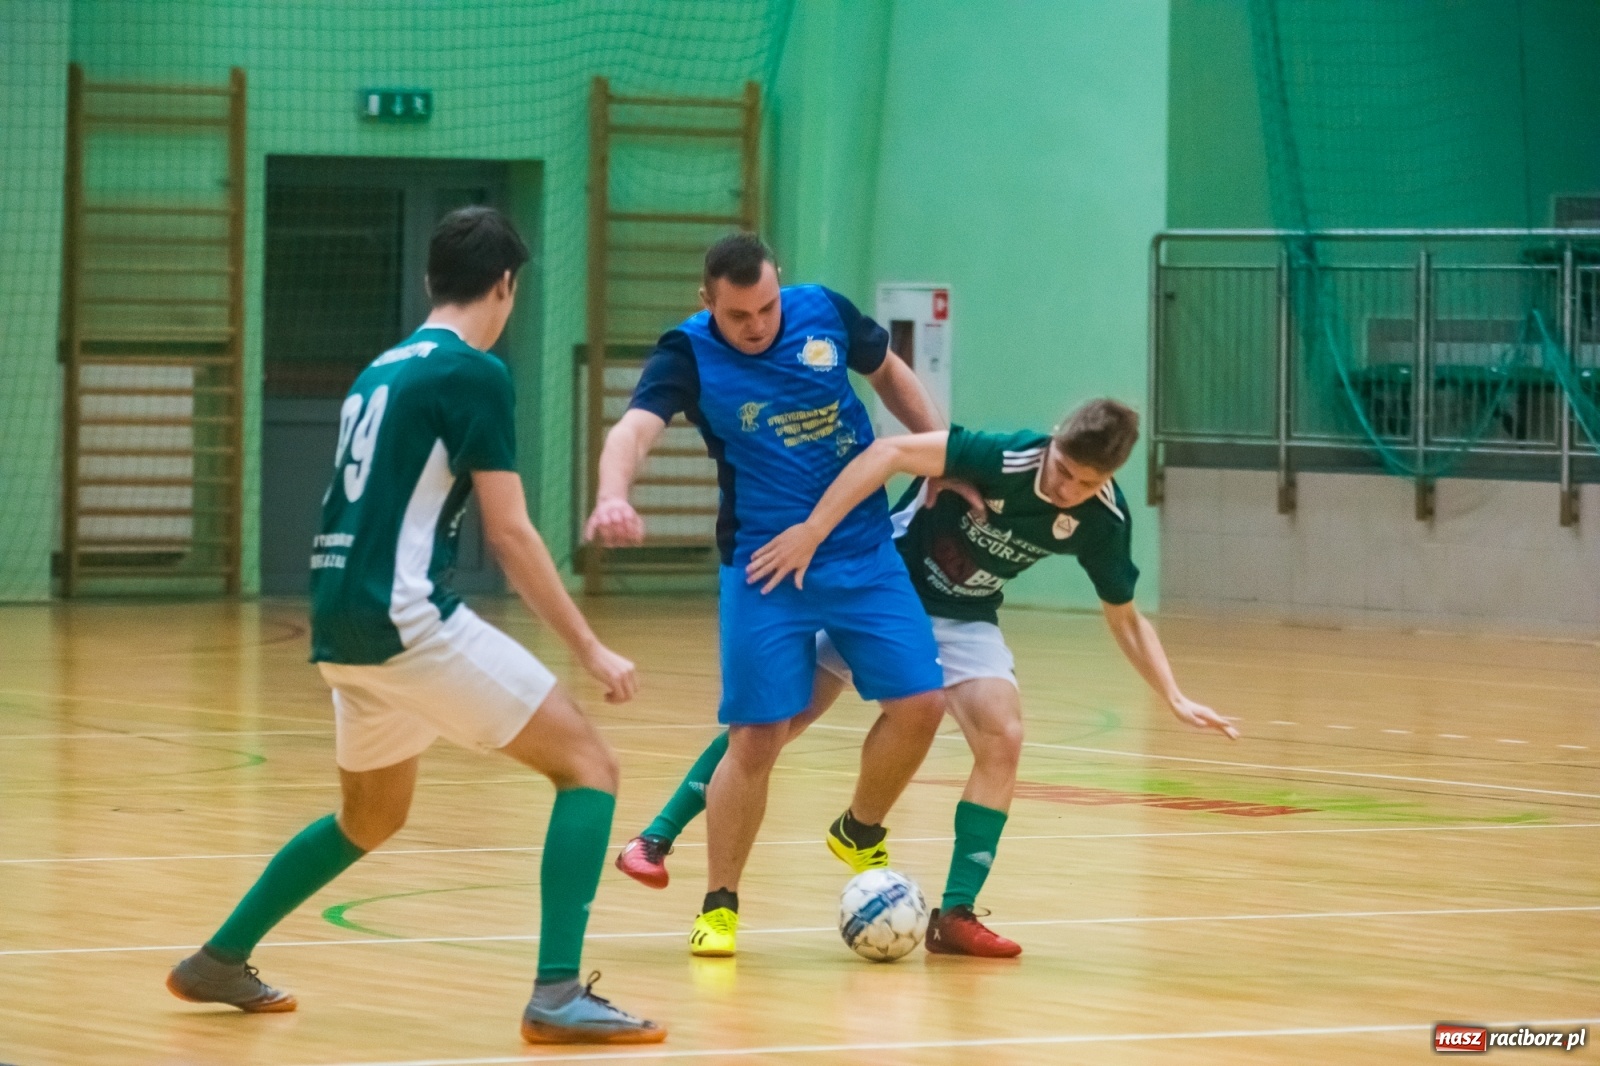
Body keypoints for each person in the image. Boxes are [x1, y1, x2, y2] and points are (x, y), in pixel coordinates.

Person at [166, 206, 664, 1045]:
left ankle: (220, 959)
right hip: (407, 619)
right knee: (589, 766)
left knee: (370, 817)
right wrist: (589, 646)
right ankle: (556, 993)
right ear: (506, 285)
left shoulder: (382, 368)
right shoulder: (472, 372)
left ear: (435, 279)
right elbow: (509, 530)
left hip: (340, 619)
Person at [616, 399, 1237, 958]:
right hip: (881, 593)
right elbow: (887, 453)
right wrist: (816, 532)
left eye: (1087, 482)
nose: (1068, 488)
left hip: (964, 616)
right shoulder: (1002, 454)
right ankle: (657, 836)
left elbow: (1124, 617)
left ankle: (953, 912)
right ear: (1053, 442)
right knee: (774, 722)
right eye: (1063, 471)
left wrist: (1173, 694)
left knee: (1004, 737)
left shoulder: (1102, 519)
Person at [586, 234, 950, 958]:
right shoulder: (687, 354)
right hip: (765, 567)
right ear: (707, 303)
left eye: (766, 307)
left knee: (922, 705)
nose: (756, 325)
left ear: (780, 286)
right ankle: (721, 904)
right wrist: (611, 494)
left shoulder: (824, 313)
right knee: (756, 737)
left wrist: (933, 445)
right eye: (738, 314)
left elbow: (889, 373)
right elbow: (633, 429)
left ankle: (859, 828)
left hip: (860, 551)